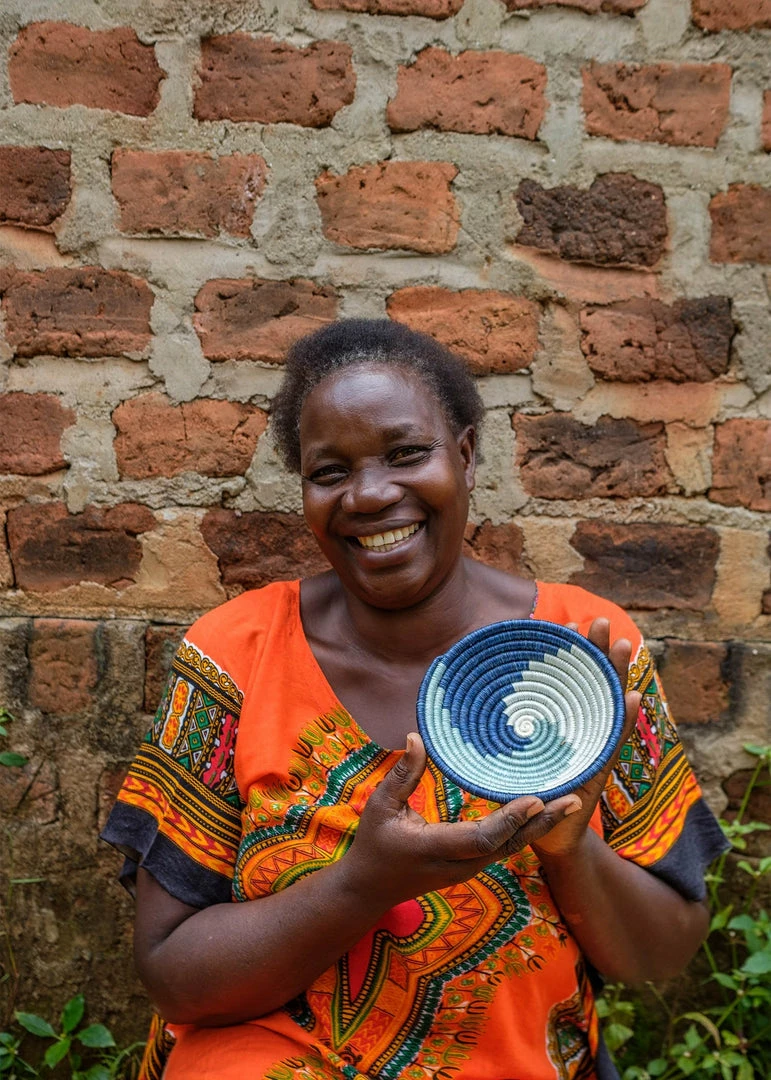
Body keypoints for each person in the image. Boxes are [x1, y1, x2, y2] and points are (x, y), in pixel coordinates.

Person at [102, 319, 728, 1080]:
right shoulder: (236, 654)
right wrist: (364, 884)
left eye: (406, 454)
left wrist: (571, 851)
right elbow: (173, 976)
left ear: (463, 457)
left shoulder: (582, 652)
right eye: (329, 472)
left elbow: (658, 953)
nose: (369, 495)